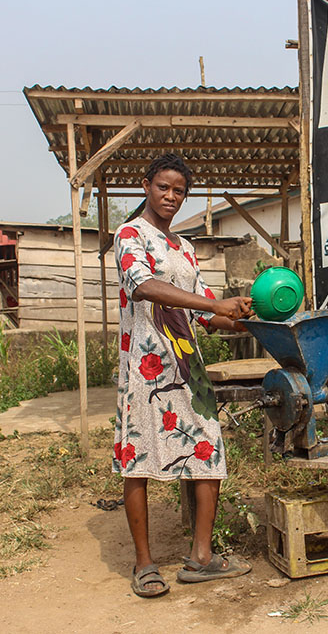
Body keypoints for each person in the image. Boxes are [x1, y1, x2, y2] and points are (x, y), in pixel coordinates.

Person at [114, 153, 253, 598]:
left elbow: (210, 309)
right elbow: (142, 285)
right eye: (164, 187)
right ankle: (144, 563)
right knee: (137, 458)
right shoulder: (131, 234)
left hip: (187, 363)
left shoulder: (185, 248)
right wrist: (213, 307)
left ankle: (201, 557)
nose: (171, 196)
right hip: (146, 365)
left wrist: (250, 315)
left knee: (207, 448)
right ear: (146, 186)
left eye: (179, 191)